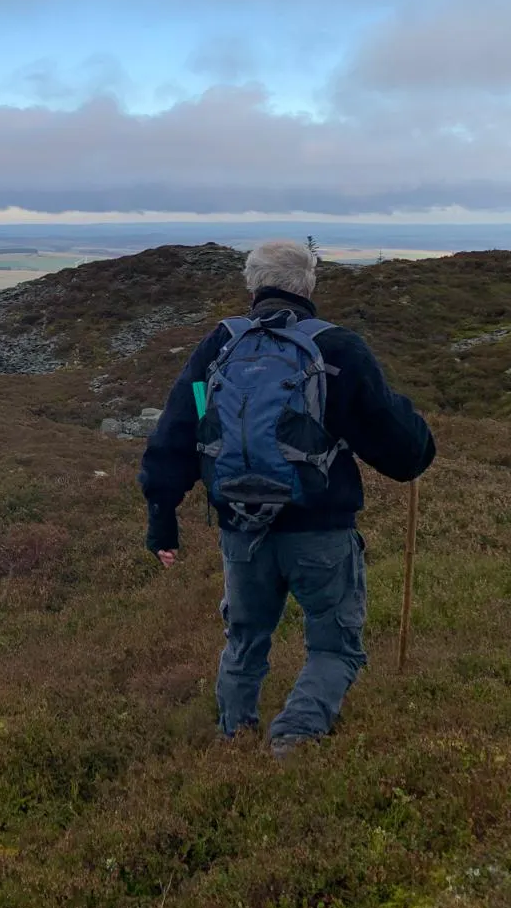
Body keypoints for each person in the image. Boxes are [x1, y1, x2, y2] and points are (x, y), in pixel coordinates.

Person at [139, 239, 435, 755]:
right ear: (309, 284)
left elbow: (180, 428)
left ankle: (233, 738)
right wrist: (412, 426)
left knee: (245, 638)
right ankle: (293, 739)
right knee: (334, 646)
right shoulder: (338, 349)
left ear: (252, 284)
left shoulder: (219, 346)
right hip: (320, 530)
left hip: (240, 529)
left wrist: (162, 519)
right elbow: (404, 455)